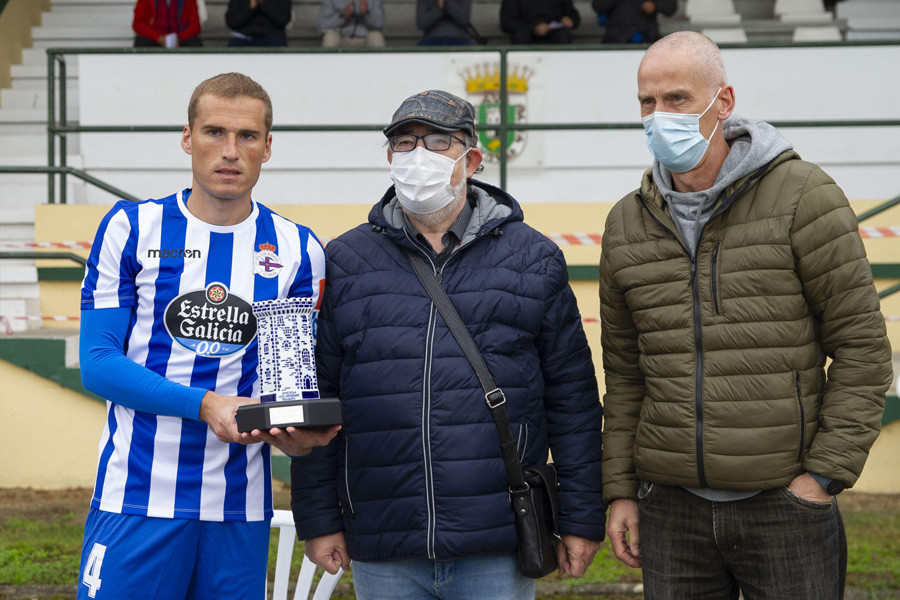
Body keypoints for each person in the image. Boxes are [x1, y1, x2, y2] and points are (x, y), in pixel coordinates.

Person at [599, 31, 893, 599]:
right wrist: (622, 492)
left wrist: (823, 477)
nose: (659, 116)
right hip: (672, 513)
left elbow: (863, 349)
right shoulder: (626, 223)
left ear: (724, 102)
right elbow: (627, 376)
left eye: (677, 99)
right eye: (647, 102)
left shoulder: (804, 196)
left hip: (785, 507)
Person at [291, 90, 605, 599]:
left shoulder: (534, 260)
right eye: (405, 143)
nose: (419, 156)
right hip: (384, 541)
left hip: (498, 543)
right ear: (389, 158)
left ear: (472, 159)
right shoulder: (346, 260)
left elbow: (572, 401)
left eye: (439, 142)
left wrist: (582, 517)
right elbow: (317, 396)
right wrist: (318, 517)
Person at [76, 72, 339, 600]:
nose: (229, 151)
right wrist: (206, 405)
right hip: (137, 497)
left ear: (268, 147)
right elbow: (98, 361)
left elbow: (288, 383)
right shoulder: (132, 227)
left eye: (246, 137)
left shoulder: (296, 249)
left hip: (237, 509)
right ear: (187, 137)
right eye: (214, 132)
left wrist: (301, 435)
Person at [592, 0, 676, 44]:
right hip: (616, 40)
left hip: (649, 40)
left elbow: (671, 7)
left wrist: (655, 5)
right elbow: (598, 6)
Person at [500, 0, 580, 44]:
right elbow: (506, 22)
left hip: (555, 34)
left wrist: (570, 20)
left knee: (564, 36)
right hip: (526, 35)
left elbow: (574, 16)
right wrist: (533, 29)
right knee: (520, 37)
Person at [133, 0, 203, 47]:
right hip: (155, 39)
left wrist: (180, 38)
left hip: (180, 40)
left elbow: (195, 26)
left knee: (195, 43)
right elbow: (138, 24)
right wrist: (158, 38)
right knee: (141, 43)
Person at [319, 0, 386, 47]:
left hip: (365, 38)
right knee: (330, 38)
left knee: (376, 37)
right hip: (341, 38)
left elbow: (380, 25)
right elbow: (323, 26)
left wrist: (367, 14)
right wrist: (343, 17)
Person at [225, 0, 292, 47]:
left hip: (273, 38)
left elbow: (283, 20)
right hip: (245, 38)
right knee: (234, 45)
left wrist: (263, 3)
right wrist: (250, 8)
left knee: (278, 44)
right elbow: (231, 22)